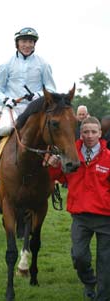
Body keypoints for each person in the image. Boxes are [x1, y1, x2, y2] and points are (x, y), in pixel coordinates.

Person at [47, 116, 110, 301]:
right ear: (80, 133)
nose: (89, 136)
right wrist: (53, 167)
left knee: (106, 262)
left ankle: (103, 296)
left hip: (105, 217)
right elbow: (61, 177)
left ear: (100, 134)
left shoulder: (108, 158)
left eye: (93, 132)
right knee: (79, 257)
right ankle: (89, 281)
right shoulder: (71, 154)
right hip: (80, 215)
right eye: (85, 132)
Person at [0, 27, 56, 150]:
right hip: (13, 108)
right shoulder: (6, 64)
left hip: (36, 109)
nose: (27, 45)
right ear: (17, 43)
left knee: (51, 130)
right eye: (24, 41)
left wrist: (37, 95)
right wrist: (5, 100)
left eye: (30, 42)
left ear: (34, 44)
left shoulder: (44, 64)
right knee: (4, 129)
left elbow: (51, 90)